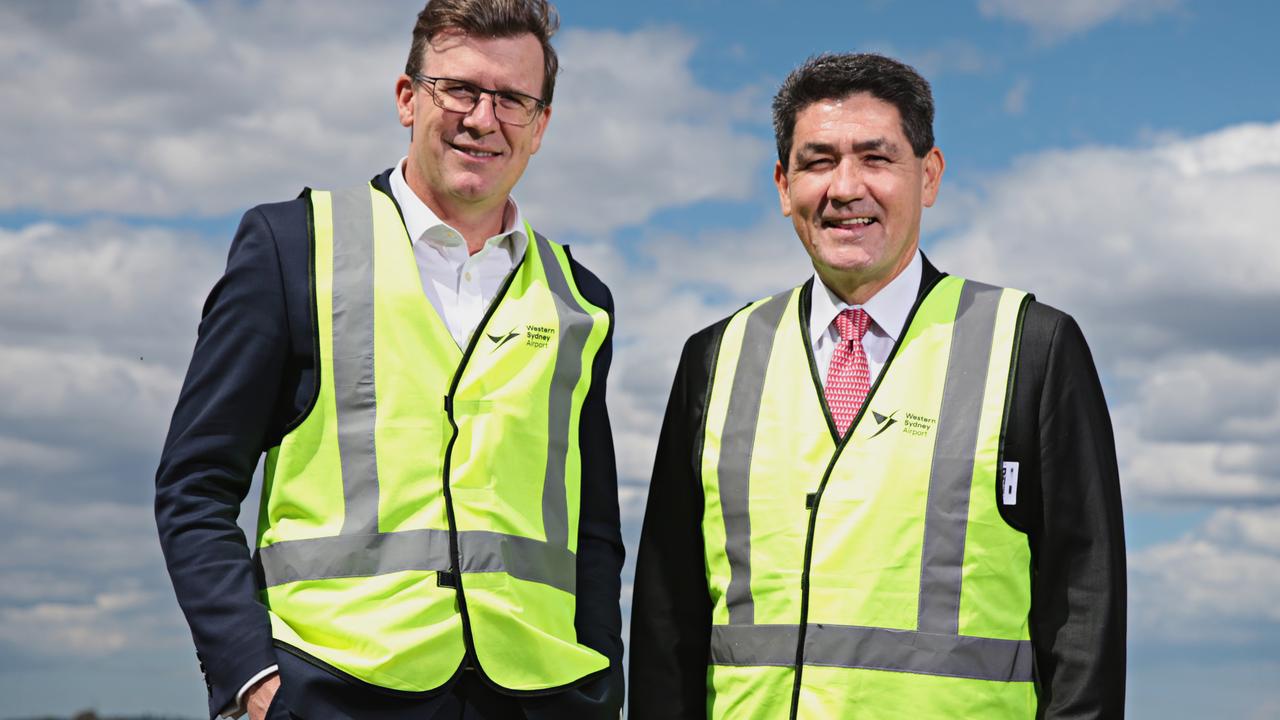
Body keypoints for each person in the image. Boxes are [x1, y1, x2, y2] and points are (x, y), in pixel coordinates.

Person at [155, 1, 624, 718]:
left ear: (541, 126)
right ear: (408, 98)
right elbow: (196, 483)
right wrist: (252, 678)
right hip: (331, 693)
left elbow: (592, 534)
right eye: (459, 89)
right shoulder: (294, 247)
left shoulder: (579, 300)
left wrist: (601, 690)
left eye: (512, 100)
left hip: (537, 699)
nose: (483, 118)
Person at [629, 52, 1125, 719]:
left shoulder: (1030, 347)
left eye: (875, 158)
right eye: (817, 161)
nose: (845, 187)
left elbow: (1084, 609)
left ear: (929, 176)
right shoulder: (715, 359)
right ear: (783, 186)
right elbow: (668, 619)